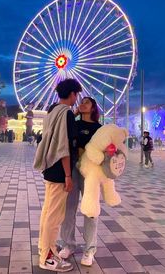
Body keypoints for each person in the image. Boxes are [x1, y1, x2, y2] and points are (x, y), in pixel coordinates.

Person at [33, 78, 82, 272]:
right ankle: (47, 258)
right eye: (76, 95)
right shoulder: (66, 114)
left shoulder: (52, 111)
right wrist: (68, 176)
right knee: (55, 217)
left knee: (47, 212)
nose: (76, 98)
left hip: (49, 168)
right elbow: (64, 148)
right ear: (72, 94)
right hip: (60, 171)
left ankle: (44, 247)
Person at [59, 97, 102, 266]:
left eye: (87, 102)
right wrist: (73, 114)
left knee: (90, 210)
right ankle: (68, 244)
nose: (82, 103)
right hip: (73, 169)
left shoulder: (99, 129)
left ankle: (89, 249)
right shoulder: (73, 124)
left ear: (93, 108)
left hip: (91, 172)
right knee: (68, 208)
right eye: (81, 101)